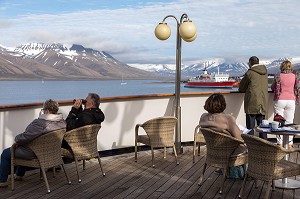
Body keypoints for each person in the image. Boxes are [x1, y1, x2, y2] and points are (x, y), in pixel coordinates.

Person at [0, 99, 66, 187]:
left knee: (5, 153)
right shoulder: (62, 122)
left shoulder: (40, 123)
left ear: (45, 110)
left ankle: (2, 181)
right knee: (24, 145)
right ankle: (19, 174)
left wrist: (16, 138)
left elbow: (24, 137)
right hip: (50, 152)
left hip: (35, 154)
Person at [239, 56, 268, 139]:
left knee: (250, 128)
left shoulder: (250, 73)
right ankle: (264, 146)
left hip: (252, 103)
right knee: (263, 128)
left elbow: (242, 87)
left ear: (250, 64)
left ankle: (251, 147)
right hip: (263, 103)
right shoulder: (265, 72)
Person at [271, 60, 300, 145]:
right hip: (291, 100)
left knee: (279, 121)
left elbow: (273, 87)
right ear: (291, 67)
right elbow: (297, 88)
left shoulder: (278, 76)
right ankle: (289, 143)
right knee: (289, 122)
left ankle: (279, 143)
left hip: (279, 100)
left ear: (281, 67)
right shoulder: (295, 76)